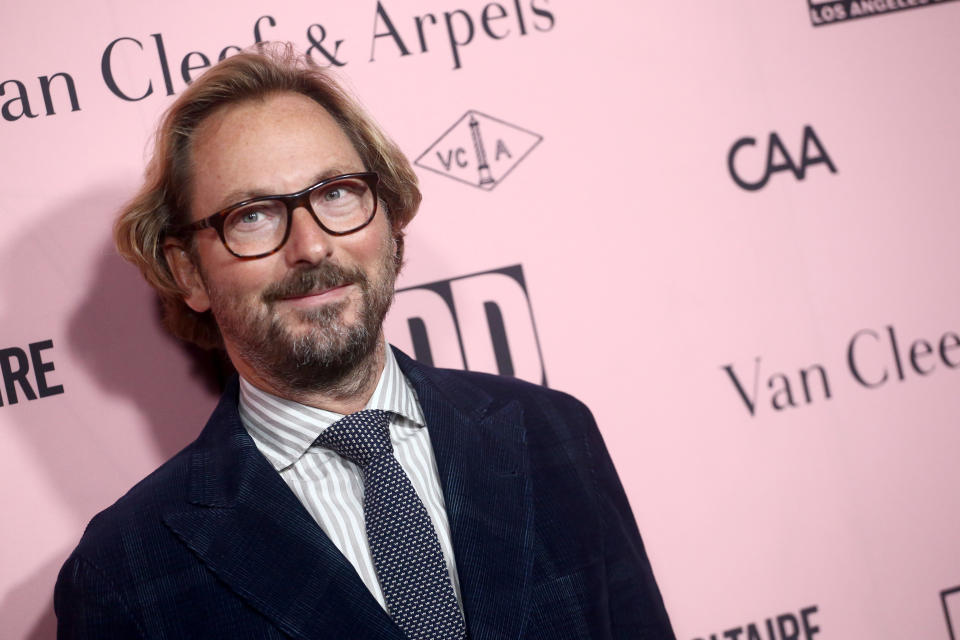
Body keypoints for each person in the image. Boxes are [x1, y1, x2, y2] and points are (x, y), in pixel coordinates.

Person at [54, 44, 675, 639]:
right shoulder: (123, 572)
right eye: (253, 214)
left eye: (336, 194)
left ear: (390, 217)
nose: (312, 246)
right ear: (189, 270)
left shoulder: (553, 433)